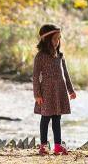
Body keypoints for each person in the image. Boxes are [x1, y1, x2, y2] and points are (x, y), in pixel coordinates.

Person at [33, 24, 77, 155]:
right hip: (46, 91)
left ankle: (58, 145)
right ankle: (43, 146)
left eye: (59, 39)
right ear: (46, 40)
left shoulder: (60, 56)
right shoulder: (40, 56)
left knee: (57, 118)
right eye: (54, 39)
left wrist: (71, 90)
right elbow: (35, 76)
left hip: (59, 90)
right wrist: (37, 94)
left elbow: (66, 74)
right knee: (45, 118)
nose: (57, 42)